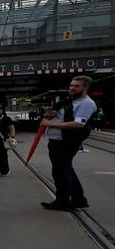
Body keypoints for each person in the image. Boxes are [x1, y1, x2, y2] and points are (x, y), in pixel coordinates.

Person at [40, 75, 97, 210]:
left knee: (61, 172)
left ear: (85, 87)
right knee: (66, 170)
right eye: (71, 85)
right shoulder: (72, 101)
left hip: (65, 142)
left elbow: (78, 124)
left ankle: (63, 201)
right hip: (58, 141)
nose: (72, 88)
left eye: (76, 86)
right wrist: (52, 115)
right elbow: (64, 117)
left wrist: (49, 123)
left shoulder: (86, 103)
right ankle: (79, 200)